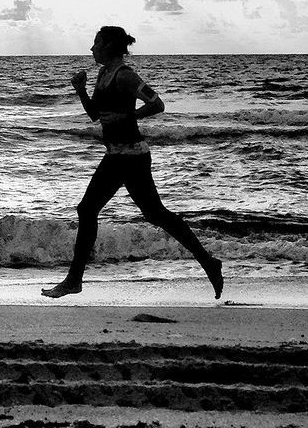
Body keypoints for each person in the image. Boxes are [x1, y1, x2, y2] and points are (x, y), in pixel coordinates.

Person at [42, 25, 223, 299]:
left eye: (96, 43)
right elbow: (95, 114)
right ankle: (209, 263)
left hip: (132, 157)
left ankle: (73, 280)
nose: (92, 49)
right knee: (142, 213)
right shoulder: (103, 74)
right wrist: (80, 90)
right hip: (117, 155)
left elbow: (157, 103)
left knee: (99, 209)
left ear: (109, 47)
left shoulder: (125, 76)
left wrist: (131, 118)